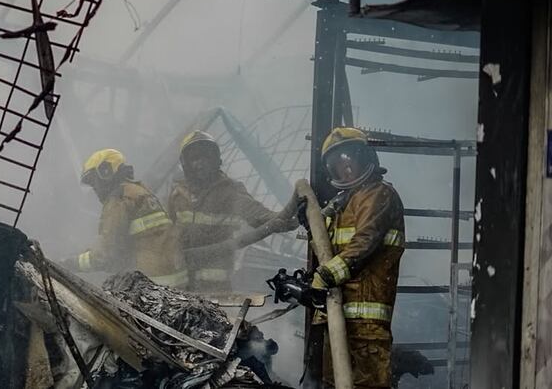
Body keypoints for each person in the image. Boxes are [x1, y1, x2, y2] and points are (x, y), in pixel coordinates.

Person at [310, 127, 405, 389]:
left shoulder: (379, 195)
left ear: (367, 157)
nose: (346, 168)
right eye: (337, 164)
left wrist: (326, 276)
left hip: (365, 325)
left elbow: (365, 242)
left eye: (351, 158)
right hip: (338, 318)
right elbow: (324, 249)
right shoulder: (344, 204)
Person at [168, 130, 297, 293]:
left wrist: (283, 220)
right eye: (194, 158)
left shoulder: (229, 192)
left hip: (215, 289)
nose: (200, 163)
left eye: (206, 157)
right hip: (181, 287)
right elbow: (169, 236)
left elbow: (259, 215)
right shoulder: (178, 194)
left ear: (216, 160)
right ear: (185, 164)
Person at [62, 149, 187, 288]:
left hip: (154, 284)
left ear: (106, 172)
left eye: (94, 181)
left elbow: (105, 255)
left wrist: (70, 263)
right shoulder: (139, 191)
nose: (95, 189)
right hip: (176, 280)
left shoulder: (119, 199)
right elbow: (127, 245)